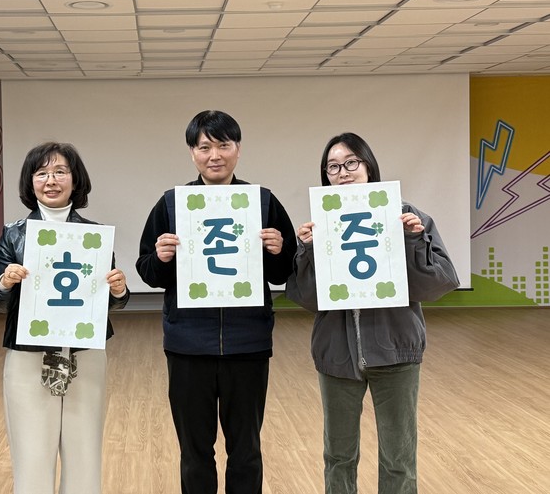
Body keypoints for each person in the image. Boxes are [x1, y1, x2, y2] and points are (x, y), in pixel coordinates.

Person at [286, 132, 460, 494]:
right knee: (338, 456)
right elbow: (306, 298)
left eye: (351, 162)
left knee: (399, 458)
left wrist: (413, 241)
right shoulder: (321, 224)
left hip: (396, 351)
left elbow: (440, 283)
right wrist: (306, 252)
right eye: (333, 167)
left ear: (368, 166)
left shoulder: (405, 216)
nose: (343, 173)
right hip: (336, 355)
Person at [136, 110, 296, 494]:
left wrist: (279, 250)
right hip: (188, 346)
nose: (215, 155)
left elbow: (285, 272)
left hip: (248, 343)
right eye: (204, 147)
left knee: (246, 450)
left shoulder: (262, 202)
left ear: (238, 149)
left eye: (224, 145)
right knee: (195, 452)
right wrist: (160, 258)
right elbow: (147, 270)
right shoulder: (172, 204)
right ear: (192, 152)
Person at [0, 141, 129, 494]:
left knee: (84, 451)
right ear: (30, 182)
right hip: (27, 353)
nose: (51, 180)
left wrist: (119, 291)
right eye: (41, 173)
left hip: (84, 352)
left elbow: (109, 304)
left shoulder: (94, 236)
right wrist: (5, 283)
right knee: (32, 453)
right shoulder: (13, 235)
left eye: (60, 172)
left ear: (75, 180)